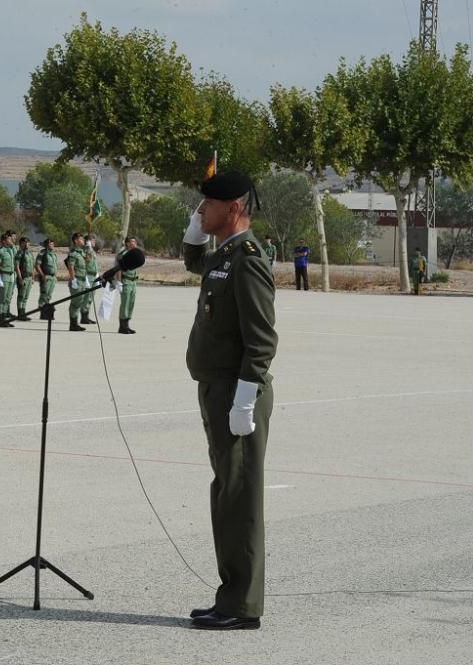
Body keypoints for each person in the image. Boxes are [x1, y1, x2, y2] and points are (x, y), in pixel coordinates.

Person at [182, 172, 278, 631]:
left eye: (208, 205)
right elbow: (194, 261)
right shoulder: (224, 256)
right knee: (226, 492)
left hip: (237, 391)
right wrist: (195, 231)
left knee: (239, 498)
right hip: (216, 388)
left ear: (234, 207)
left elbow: (261, 339)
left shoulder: (249, 260)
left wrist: (245, 398)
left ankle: (241, 606)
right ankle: (231, 596)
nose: (201, 210)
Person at [116, 236, 139, 334]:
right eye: (132, 242)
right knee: (125, 304)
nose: (134, 243)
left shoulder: (135, 254)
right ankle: (122, 327)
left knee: (131, 303)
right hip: (126, 282)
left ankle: (127, 325)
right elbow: (118, 268)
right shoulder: (123, 254)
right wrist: (119, 282)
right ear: (127, 243)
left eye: (135, 242)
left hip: (133, 282)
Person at [0, 230, 17, 327]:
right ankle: (0, 319)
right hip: (3, 275)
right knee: (2, 298)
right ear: (3, 241)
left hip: (11, 275)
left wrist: (12, 244)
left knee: (7, 298)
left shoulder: (11, 250)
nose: (11, 239)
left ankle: (4, 318)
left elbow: (16, 255)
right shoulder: (0, 251)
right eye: (8, 238)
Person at [66, 232, 87, 331]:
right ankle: (73, 324)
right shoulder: (74, 253)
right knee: (75, 302)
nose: (83, 241)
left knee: (79, 302)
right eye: (81, 239)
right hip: (77, 280)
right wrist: (73, 280)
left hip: (82, 280)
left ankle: (75, 323)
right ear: (76, 241)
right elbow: (71, 267)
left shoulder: (82, 253)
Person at [36, 237, 58, 320]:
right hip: (46, 276)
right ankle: (43, 313)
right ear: (46, 245)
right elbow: (37, 265)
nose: (51, 245)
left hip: (52, 277)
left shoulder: (53, 254)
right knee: (44, 295)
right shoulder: (43, 253)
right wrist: (42, 275)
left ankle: (47, 311)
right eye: (50, 244)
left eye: (52, 244)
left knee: (48, 295)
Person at [15, 236, 36, 321]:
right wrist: (20, 278)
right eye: (24, 243)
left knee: (26, 297)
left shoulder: (30, 254)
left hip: (29, 277)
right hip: (23, 277)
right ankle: (20, 314)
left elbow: (33, 266)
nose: (27, 244)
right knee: (21, 296)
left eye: (28, 243)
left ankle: (24, 312)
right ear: (21, 244)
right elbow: (17, 267)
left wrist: (33, 278)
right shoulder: (19, 253)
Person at [80, 233, 98, 325]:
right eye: (93, 240)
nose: (95, 242)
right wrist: (88, 250)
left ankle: (86, 315)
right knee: (86, 297)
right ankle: (83, 316)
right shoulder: (86, 251)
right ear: (88, 242)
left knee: (90, 297)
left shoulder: (92, 251)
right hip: (87, 276)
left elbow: (94, 265)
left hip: (93, 276)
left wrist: (97, 275)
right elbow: (85, 263)